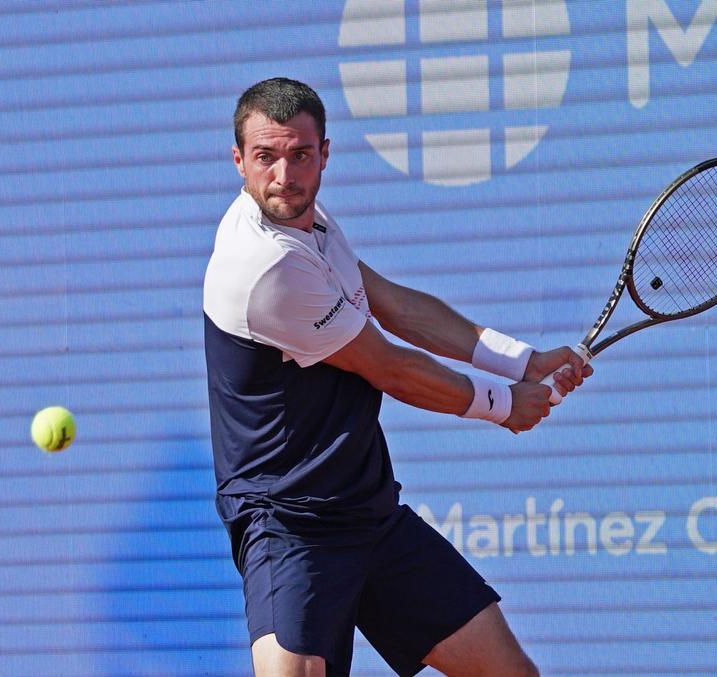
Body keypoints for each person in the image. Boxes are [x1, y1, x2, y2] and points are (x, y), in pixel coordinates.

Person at [203, 77, 591, 677]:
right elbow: (390, 367)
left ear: (324, 153)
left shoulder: (310, 223)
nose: (284, 176)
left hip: (369, 512)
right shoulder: (264, 265)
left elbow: (391, 304)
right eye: (265, 157)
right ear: (239, 161)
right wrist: (503, 404)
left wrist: (520, 361)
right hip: (290, 524)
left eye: (300, 155)